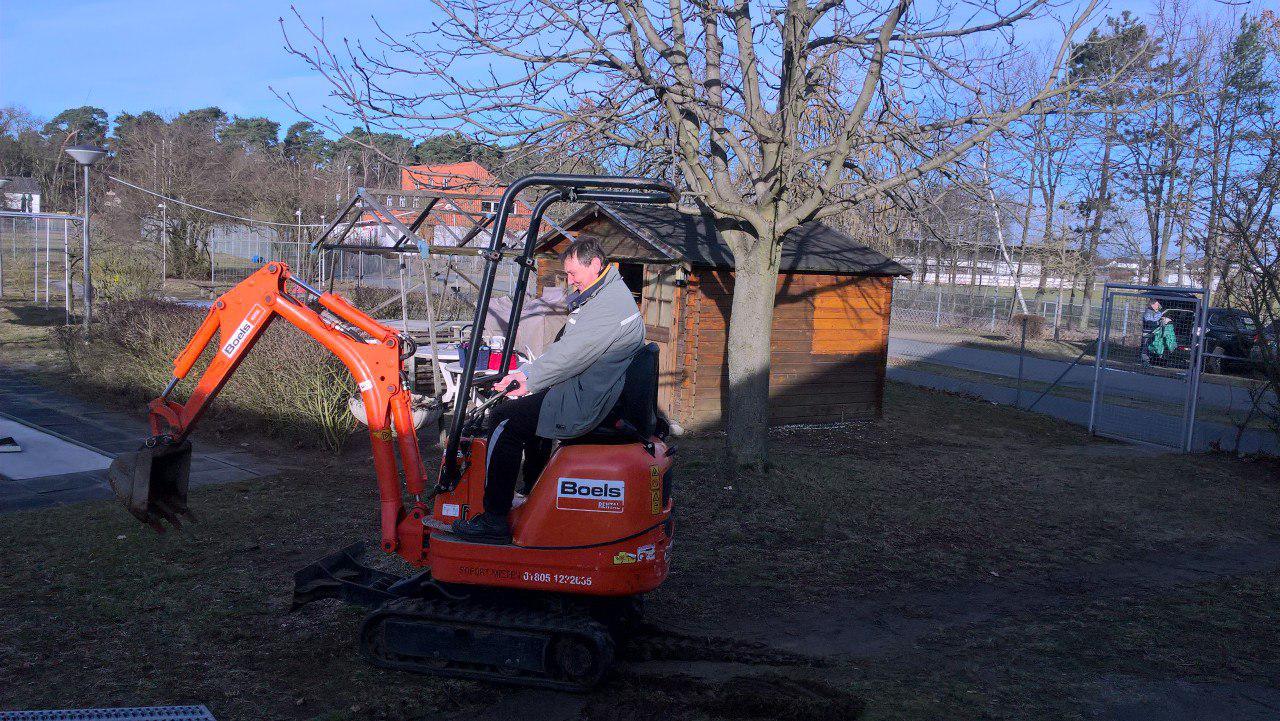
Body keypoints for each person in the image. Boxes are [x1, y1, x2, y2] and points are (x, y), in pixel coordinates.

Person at [451, 238, 645, 541]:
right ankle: (532, 494)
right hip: (588, 387)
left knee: (504, 420)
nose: (570, 281)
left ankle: (493, 520)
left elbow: (570, 355)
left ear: (594, 264)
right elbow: (565, 349)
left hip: (587, 398)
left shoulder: (608, 305)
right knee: (530, 410)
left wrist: (529, 381)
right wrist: (525, 374)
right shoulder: (605, 295)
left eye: (572, 273)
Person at [1141, 300, 1163, 365]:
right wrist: (1159, 319)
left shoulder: (1158, 312)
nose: (1158, 306)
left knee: (1154, 346)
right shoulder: (1148, 312)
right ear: (1152, 305)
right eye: (1157, 304)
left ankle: (1154, 360)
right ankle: (1145, 361)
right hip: (1147, 332)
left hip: (1155, 333)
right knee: (1146, 346)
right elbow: (1149, 322)